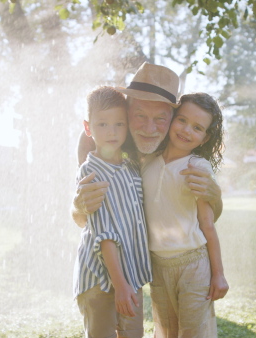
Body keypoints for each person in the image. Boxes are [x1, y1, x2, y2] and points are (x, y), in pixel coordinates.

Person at [72, 62, 223, 227]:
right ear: (127, 111)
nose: (149, 129)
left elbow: (210, 217)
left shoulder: (180, 144)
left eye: (160, 118)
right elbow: (83, 219)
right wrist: (78, 207)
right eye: (140, 116)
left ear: (173, 118)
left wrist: (215, 198)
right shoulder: (95, 141)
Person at [142, 93, 228, 336]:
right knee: (166, 330)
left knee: (193, 332)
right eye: (182, 120)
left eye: (197, 127)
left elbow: (208, 225)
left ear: (205, 138)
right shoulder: (147, 162)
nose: (187, 130)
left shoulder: (197, 168)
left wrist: (219, 275)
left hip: (193, 264)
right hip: (157, 266)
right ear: (171, 119)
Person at [73, 86, 151, 338]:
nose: (111, 132)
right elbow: (104, 234)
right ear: (88, 128)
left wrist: (128, 283)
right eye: (102, 124)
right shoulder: (90, 173)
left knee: (133, 334)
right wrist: (120, 285)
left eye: (119, 124)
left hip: (130, 275)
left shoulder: (131, 168)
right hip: (99, 279)